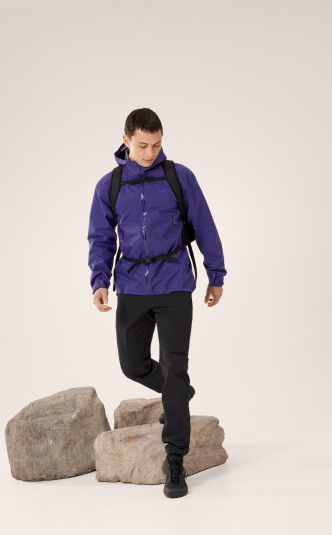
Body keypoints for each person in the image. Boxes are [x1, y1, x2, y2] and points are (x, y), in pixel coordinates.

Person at [87, 108, 227, 498]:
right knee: (132, 364)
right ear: (127, 139)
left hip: (174, 283)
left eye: (157, 144)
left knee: (175, 366)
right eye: (143, 145)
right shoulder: (110, 185)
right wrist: (99, 281)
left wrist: (216, 275)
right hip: (131, 285)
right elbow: (101, 237)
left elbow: (205, 225)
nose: (151, 152)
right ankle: (176, 392)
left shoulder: (179, 177)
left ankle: (175, 458)